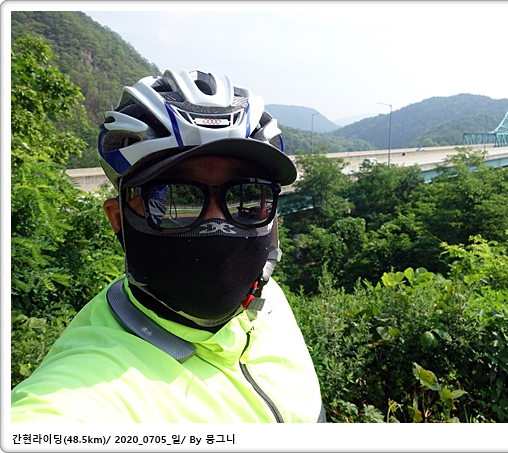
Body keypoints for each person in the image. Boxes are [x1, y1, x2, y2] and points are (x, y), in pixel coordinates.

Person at [11, 69, 326, 423]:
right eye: (175, 197)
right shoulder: (86, 390)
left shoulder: (267, 303)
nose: (217, 223)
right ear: (118, 219)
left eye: (244, 196)